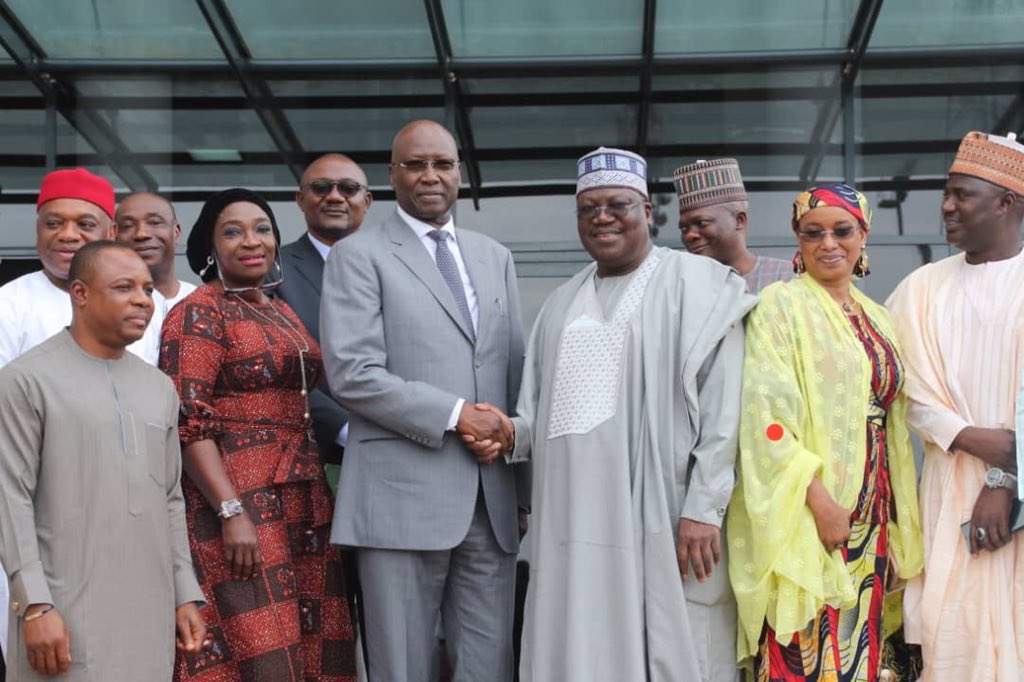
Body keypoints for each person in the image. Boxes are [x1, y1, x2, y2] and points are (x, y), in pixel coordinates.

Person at [472, 146, 755, 681]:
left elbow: (725, 411)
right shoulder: (558, 304)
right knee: (576, 646)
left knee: (674, 651)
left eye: (618, 204)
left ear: (648, 211)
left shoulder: (699, 285)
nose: (602, 217)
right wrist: (509, 434)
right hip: (571, 517)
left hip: (661, 511)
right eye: (588, 208)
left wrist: (704, 508)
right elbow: (538, 417)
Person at [320, 120, 526, 682]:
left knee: (488, 667)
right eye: (415, 164)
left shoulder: (495, 256)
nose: (430, 176)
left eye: (442, 163)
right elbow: (354, 374)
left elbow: (513, 370)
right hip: (400, 501)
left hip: (492, 503)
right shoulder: (358, 256)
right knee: (401, 667)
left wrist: (516, 456)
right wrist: (458, 415)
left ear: (460, 172)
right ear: (392, 176)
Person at [728, 184, 924, 681]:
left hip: (875, 511)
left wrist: (897, 526)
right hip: (813, 513)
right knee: (809, 654)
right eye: (813, 233)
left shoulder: (879, 317)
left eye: (843, 230)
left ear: (864, 236)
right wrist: (818, 500)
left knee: (864, 651)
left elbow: (896, 430)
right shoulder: (779, 306)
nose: (828, 243)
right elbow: (765, 420)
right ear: (798, 240)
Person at [161, 189, 355, 681]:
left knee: (315, 645)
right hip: (241, 501)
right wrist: (231, 512)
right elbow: (188, 422)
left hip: (305, 496)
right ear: (209, 246)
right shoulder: (198, 311)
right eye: (233, 231)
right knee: (260, 650)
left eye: (263, 229)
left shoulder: (280, 309)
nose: (252, 241)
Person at [0, 240, 206, 680]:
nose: (141, 300)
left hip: (148, 609)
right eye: (123, 287)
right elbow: (9, 498)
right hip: (64, 607)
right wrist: (35, 604)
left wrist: (184, 593)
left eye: (148, 290)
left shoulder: (158, 389)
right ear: (81, 293)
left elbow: (170, 499)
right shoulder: (26, 380)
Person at [886, 131, 1024, 681]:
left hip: (1017, 494)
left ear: (1006, 202)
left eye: (961, 194)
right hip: (944, 495)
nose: (946, 206)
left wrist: (1003, 478)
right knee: (951, 639)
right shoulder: (920, 289)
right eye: (947, 193)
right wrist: (971, 437)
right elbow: (900, 385)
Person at [0, 168, 164, 366]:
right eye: (53, 224)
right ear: (38, 229)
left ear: (111, 233)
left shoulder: (147, 303)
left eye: (85, 225)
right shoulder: (8, 303)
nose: (68, 235)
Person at [278, 153, 373, 468]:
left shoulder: (400, 269)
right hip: (311, 458)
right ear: (300, 199)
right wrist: (345, 429)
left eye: (348, 187)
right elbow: (278, 363)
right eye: (321, 187)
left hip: (399, 449)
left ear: (367, 200)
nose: (335, 196)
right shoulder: (272, 271)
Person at [674, 158, 792, 294]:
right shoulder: (684, 289)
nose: (689, 235)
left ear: (739, 220)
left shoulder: (785, 277)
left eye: (702, 223)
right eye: (684, 228)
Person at [115, 191, 196, 311]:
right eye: (127, 225)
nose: (141, 234)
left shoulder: (203, 303)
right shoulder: (101, 306)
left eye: (154, 222)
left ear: (176, 233)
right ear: (114, 236)